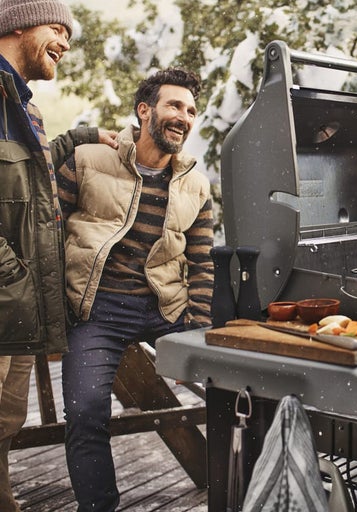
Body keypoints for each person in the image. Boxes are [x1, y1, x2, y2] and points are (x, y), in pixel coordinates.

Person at [57, 67, 214, 511]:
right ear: (144, 110)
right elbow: (47, 231)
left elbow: (201, 264)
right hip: (95, 313)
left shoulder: (196, 186)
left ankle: (232, 493)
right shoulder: (88, 160)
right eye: (174, 106)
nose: (184, 116)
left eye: (190, 110)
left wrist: (198, 333)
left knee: (232, 385)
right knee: (85, 412)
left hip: (164, 309)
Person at [0, 1, 118, 510]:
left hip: (18, 303)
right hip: (10, 290)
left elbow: (30, 174)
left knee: (4, 418)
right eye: (57, 29)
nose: (66, 44)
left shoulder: (21, 104)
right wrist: (12, 275)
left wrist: (83, 138)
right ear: (17, 24)